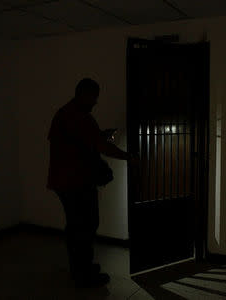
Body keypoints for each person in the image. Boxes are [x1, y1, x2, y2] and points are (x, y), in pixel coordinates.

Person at [47, 78, 137, 288]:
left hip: (63, 181)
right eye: (94, 97)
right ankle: (84, 274)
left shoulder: (64, 113)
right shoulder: (80, 117)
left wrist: (99, 136)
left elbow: (74, 141)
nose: (95, 102)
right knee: (86, 226)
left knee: (76, 226)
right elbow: (101, 147)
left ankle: (79, 268)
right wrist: (129, 157)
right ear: (84, 94)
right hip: (76, 182)